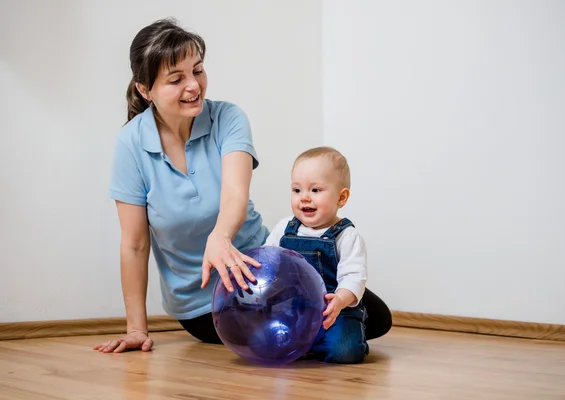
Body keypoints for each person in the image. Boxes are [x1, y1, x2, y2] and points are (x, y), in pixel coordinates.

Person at [95, 18, 391, 355]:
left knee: (377, 318)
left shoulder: (227, 118)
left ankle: (307, 334)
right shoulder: (131, 144)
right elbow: (134, 244)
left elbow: (236, 194)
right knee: (304, 332)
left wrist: (220, 238)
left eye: (198, 70)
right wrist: (136, 328)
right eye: (176, 79)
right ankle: (307, 337)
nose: (194, 86)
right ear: (145, 90)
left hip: (263, 270)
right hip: (202, 302)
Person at [263, 146, 384, 363]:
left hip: (333, 311)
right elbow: (267, 258)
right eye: (297, 190)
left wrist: (340, 299)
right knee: (266, 341)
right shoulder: (284, 228)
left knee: (344, 351)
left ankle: (341, 338)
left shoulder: (347, 236)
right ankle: (305, 342)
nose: (304, 198)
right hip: (294, 308)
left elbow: (354, 277)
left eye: (315, 190)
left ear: (342, 197)